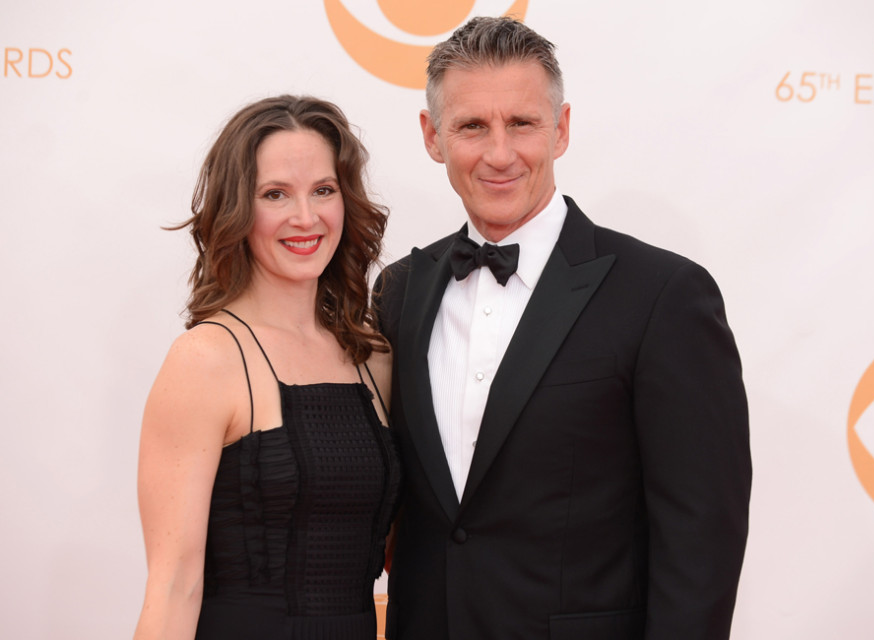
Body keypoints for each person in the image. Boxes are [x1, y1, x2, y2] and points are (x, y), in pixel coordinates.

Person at [374, 16, 751, 640]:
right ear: (433, 136)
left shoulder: (662, 295)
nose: (500, 153)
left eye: (521, 123)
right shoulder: (399, 291)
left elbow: (701, 536)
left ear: (561, 129)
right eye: (472, 126)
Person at [134, 95, 400, 640]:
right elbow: (174, 585)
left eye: (323, 191)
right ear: (237, 209)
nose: (306, 218)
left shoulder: (374, 356)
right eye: (275, 194)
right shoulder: (206, 360)